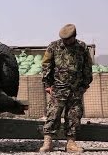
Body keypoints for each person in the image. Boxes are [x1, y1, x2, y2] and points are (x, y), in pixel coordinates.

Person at [39, 24, 93, 153]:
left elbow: (87, 66)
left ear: (74, 37)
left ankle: (71, 143)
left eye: (68, 39)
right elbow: (46, 65)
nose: (65, 41)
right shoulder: (54, 46)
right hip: (58, 88)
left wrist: (85, 84)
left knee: (74, 115)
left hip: (76, 89)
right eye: (63, 39)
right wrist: (47, 84)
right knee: (53, 114)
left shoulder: (82, 47)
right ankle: (48, 142)